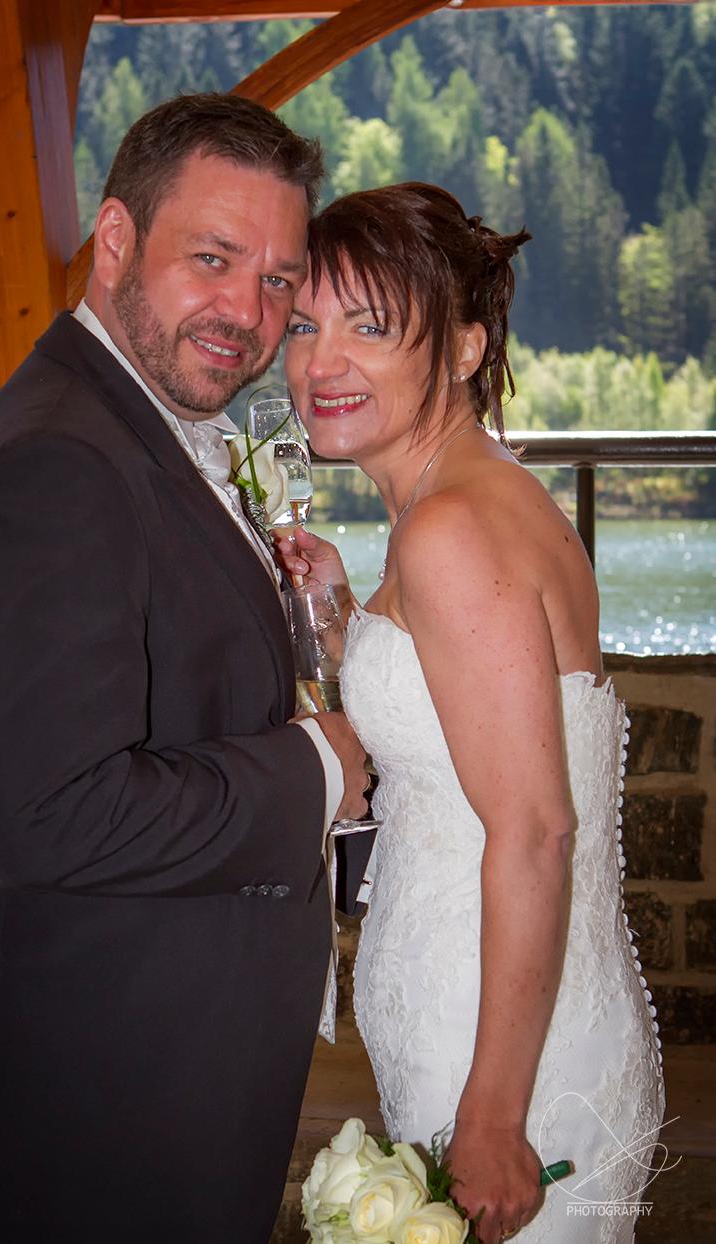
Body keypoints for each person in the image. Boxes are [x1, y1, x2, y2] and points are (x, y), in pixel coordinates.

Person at [0, 94, 371, 1244]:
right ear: (115, 240)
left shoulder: (136, 424)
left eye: (278, 278)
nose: (247, 311)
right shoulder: (54, 462)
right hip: (106, 1102)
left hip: (169, 1062)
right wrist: (316, 767)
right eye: (212, 258)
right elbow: (55, 815)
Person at [275, 183, 665, 1243]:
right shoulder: (478, 493)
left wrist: (491, 1119)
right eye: (303, 325)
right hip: (503, 1017)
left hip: (504, 1067)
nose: (320, 363)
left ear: (461, 346)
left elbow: (535, 828)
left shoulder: (450, 531)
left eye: (367, 326)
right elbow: (459, 713)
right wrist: (340, 612)